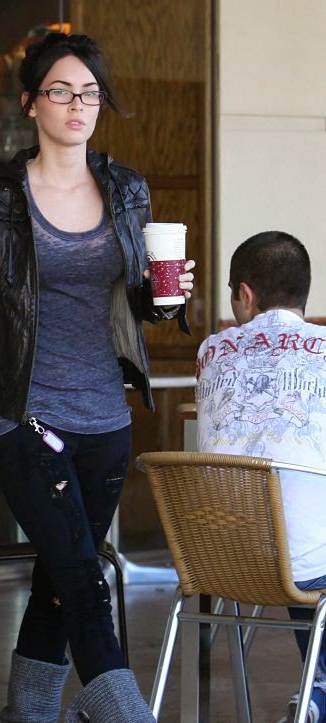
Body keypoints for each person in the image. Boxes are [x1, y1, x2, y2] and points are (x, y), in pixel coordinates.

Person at [0, 31, 195, 723]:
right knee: (82, 579)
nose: (78, 106)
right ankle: (126, 712)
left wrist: (167, 299)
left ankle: (28, 712)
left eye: (90, 93)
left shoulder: (127, 189)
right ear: (30, 103)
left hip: (107, 420)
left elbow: (142, 305)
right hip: (27, 416)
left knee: (60, 577)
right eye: (61, 91)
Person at [195, 231, 326, 723]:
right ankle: (318, 694)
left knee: (301, 531)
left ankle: (317, 693)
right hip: (305, 565)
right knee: (307, 540)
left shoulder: (211, 352)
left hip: (219, 557)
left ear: (245, 295)